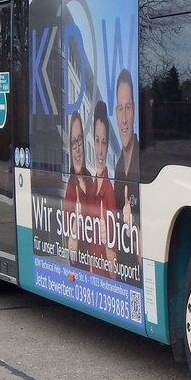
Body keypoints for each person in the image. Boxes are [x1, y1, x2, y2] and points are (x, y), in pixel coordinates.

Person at [87, 100, 119, 279]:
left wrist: (108, 246)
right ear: (92, 138)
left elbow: (114, 272)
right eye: (97, 141)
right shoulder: (89, 186)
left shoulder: (109, 192)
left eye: (104, 143)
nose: (99, 151)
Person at [113, 68, 139, 268]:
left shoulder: (147, 163)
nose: (124, 119)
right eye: (120, 108)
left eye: (128, 108)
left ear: (135, 110)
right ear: (115, 113)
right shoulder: (117, 168)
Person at [62, 111, 91, 270]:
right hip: (81, 266)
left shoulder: (91, 180)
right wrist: (75, 225)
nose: (77, 149)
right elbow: (71, 253)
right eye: (73, 144)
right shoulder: (71, 189)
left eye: (79, 141)